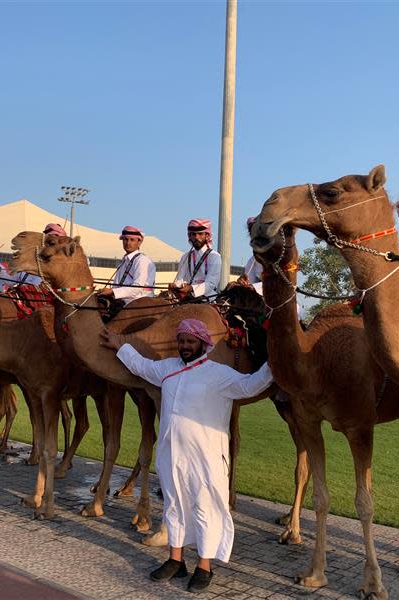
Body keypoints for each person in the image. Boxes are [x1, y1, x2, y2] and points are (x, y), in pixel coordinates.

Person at [100, 319, 273, 593]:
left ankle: (204, 565)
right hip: (172, 455)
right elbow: (141, 366)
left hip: (206, 459)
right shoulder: (168, 369)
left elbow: (250, 386)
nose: (185, 346)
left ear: (202, 344)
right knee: (174, 505)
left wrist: (274, 365)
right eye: (181, 341)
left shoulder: (218, 374)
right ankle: (175, 559)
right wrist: (119, 345)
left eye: (190, 342)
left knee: (205, 508)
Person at [98, 225, 156, 310]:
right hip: (122, 303)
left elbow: (137, 288)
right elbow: (116, 286)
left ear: (139, 242)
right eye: (125, 239)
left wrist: (112, 291)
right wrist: (107, 291)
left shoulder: (142, 260)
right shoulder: (123, 262)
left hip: (138, 304)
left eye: (132, 240)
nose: (128, 243)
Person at [169, 219, 222, 301]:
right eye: (193, 234)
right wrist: (176, 285)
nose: (196, 237)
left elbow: (211, 283)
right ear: (189, 236)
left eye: (200, 234)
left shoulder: (214, 256)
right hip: (187, 297)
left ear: (207, 236)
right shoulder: (185, 256)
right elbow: (180, 279)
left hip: (208, 298)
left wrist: (191, 288)